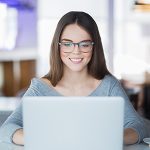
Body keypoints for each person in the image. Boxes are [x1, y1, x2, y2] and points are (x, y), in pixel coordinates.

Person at [0, 11, 147, 146]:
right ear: (57, 46)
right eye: (68, 44)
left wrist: (110, 137)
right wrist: (42, 138)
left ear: (94, 47)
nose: (76, 51)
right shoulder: (39, 88)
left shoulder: (109, 85)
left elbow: (138, 126)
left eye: (84, 44)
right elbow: (6, 128)